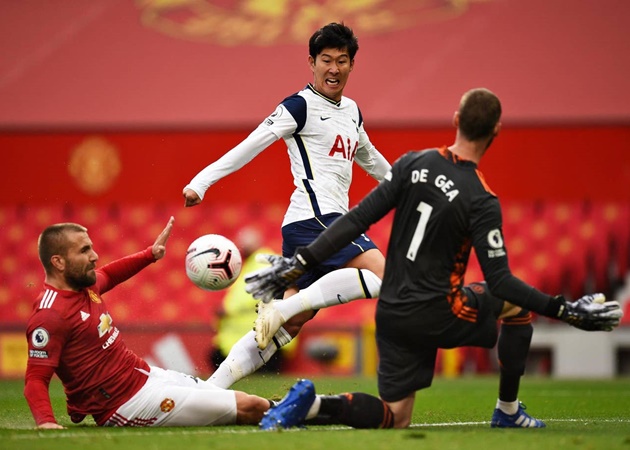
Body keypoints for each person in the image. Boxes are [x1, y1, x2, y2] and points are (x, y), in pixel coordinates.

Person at [246, 88, 624, 429]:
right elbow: (501, 282)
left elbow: (356, 220)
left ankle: (314, 404)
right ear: (496, 131)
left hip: (392, 310)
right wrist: (565, 310)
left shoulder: (412, 164)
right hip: (439, 310)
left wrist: (299, 263)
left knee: (395, 417)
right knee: (515, 306)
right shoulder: (481, 198)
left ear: (456, 120)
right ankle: (508, 411)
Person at [183, 22, 389, 388]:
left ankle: (210, 389)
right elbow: (253, 143)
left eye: (342, 61)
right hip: (316, 218)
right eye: (326, 60)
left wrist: (408, 186)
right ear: (312, 62)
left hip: (314, 223)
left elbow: (370, 158)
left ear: (351, 65)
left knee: (287, 326)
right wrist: (202, 181)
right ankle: (283, 306)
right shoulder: (299, 106)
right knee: (384, 275)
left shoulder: (352, 111)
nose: (334, 69)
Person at [23, 217, 275, 428]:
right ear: (58, 262)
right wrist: (46, 422)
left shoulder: (85, 286)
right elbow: (35, 378)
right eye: (84, 250)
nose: (94, 256)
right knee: (249, 407)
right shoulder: (50, 315)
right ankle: (296, 411)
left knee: (241, 399)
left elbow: (110, 273)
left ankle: (298, 408)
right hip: (125, 404)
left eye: (91, 248)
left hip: (146, 377)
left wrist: (150, 255)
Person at [209, 226, 292, 373]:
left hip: (259, 338)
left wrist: (227, 309)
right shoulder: (254, 264)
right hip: (256, 338)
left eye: (242, 243)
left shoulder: (262, 262)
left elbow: (253, 293)